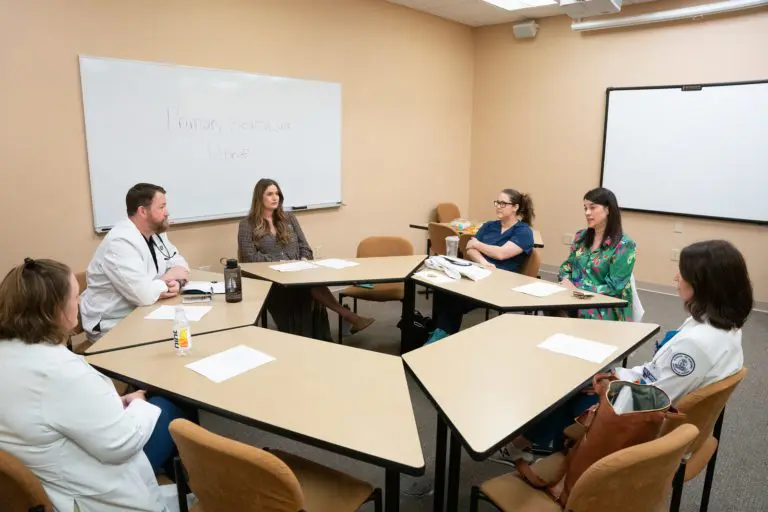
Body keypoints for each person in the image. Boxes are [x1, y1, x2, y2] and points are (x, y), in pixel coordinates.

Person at [491, 239, 753, 466]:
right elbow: (657, 379)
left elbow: (652, 399)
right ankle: (535, 445)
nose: (676, 278)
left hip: (645, 424)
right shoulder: (723, 327)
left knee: (570, 389)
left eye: (682, 273)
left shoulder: (696, 345)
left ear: (703, 284)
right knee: (589, 379)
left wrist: (608, 384)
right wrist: (617, 374)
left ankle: (519, 447)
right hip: (666, 412)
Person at [0, 258, 194, 511]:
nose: (80, 302)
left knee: (153, 397)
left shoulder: (13, 355)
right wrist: (137, 403)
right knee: (171, 402)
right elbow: (121, 444)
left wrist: (114, 404)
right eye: (75, 296)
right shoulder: (61, 373)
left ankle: (185, 480)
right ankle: (198, 484)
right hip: (94, 492)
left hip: (50, 473)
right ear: (55, 310)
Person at [237, 178, 374, 339]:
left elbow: (305, 248)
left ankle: (341, 321)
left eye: (277, 194)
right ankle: (348, 316)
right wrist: (279, 262)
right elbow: (249, 258)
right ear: (259, 197)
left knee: (311, 284)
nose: (275, 198)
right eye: (270, 194)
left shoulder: (289, 218)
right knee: (309, 288)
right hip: (271, 281)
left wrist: (303, 259)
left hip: (298, 273)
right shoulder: (247, 224)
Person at [80, 183, 189, 342]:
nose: (167, 212)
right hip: (113, 324)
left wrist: (177, 281)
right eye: (161, 207)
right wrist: (166, 281)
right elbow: (143, 295)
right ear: (143, 211)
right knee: (172, 342)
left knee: (183, 331)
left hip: (146, 311)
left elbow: (180, 263)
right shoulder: (120, 243)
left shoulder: (155, 232)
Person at [425, 189, 535, 344]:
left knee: (454, 297)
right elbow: (470, 248)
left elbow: (502, 254)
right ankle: (440, 332)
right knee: (443, 288)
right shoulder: (489, 226)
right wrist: (484, 262)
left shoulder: (524, 231)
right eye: (497, 202)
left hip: (501, 282)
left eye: (503, 203)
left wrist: (479, 245)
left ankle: (441, 336)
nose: (498, 206)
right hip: (479, 273)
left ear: (515, 207)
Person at [557, 187, 635, 321]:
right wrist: (566, 281)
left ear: (608, 209)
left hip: (604, 304)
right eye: (585, 208)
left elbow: (614, 288)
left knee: (579, 315)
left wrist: (576, 288)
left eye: (592, 208)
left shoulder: (624, 245)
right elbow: (566, 267)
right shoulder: (580, 236)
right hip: (574, 296)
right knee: (550, 304)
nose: (587, 213)